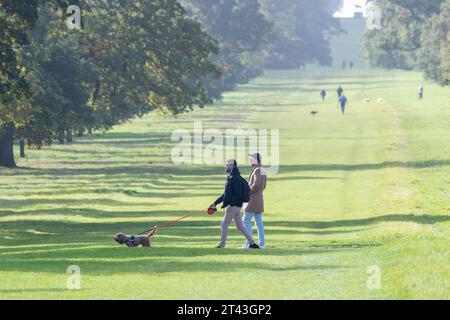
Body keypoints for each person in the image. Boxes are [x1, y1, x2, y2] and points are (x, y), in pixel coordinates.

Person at [209, 159, 260, 249]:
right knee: (240, 226)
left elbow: (237, 194)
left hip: (233, 207)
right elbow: (225, 194)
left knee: (224, 224)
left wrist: (230, 205)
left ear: (233, 166)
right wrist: (215, 203)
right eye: (226, 164)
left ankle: (221, 245)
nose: (226, 166)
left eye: (228, 164)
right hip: (237, 207)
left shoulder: (236, 179)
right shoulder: (231, 178)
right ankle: (252, 243)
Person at [241, 153, 267, 249]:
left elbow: (256, 184)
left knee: (246, 220)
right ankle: (261, 243)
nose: (250, 160)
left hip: (253, 200)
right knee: (259, 222)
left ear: (257, 160)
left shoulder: (257, 170)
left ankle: (249, 243)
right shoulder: (261, 169)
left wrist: (248, 191)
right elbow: (263, 186)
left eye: (252, 158)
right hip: (258, 199)